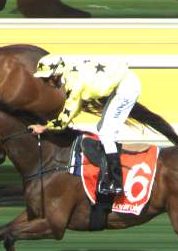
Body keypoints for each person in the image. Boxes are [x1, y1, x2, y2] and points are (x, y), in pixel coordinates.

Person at [29, 56, 139, 198]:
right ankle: (109, 171)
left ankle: (117, 183)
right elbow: (75, 107)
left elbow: (65, 119)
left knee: (106, 134)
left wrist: (44, 127)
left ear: (55, 75)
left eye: (46, 79)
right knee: (102, 129)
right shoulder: (69, 75)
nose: (45, 83)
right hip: (122, 84)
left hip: (127, 87)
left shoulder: (73, 83)